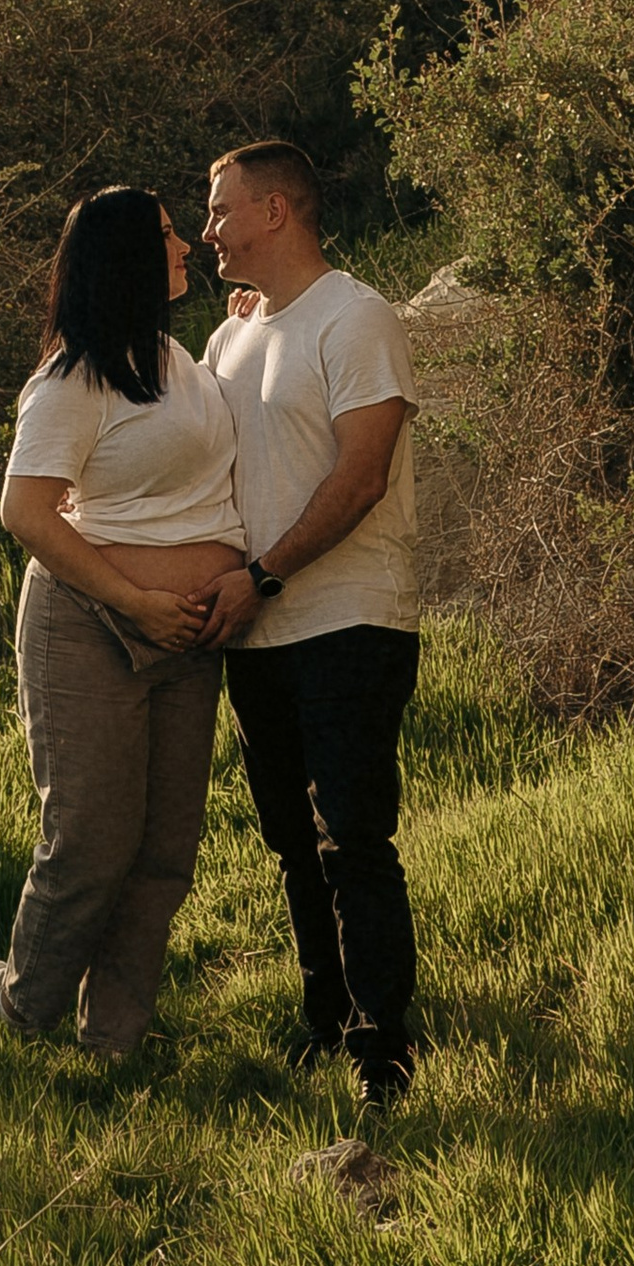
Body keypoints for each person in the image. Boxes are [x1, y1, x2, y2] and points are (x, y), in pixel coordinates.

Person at [0, 187, 244, 1059]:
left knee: (164, 853)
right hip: (91, 624)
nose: (187, 246)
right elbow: (26, 511)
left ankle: (112, 1042)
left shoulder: (182, 359)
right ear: (124, 255)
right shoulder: (72, 377)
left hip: (191, 639)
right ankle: (18, 1009)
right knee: (90, 840)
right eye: (167, 234)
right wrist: (138, 602)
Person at [196, 140, 423, 1109]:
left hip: (346, 615)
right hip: (257, 629)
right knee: (290, 840)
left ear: (276, 210)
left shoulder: (358, 316)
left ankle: (384, 1049)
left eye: (219, 210)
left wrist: (264, 573)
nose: (208, 230)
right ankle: (324, 1020)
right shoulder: (230, 335)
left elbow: (360, 474)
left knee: (352, 838)